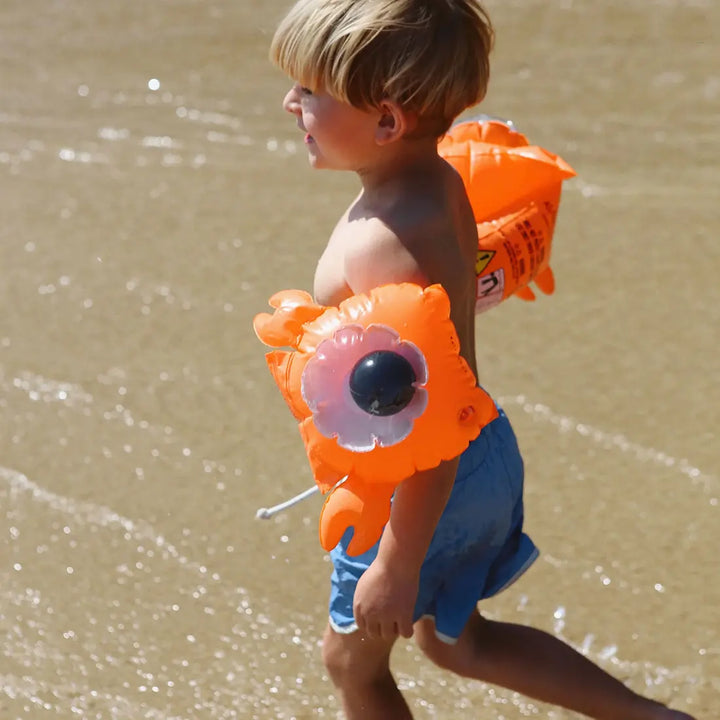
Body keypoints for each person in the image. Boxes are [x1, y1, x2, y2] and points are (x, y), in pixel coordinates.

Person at [268, 1, 696, 718]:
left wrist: (397, 565)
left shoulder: (382, 245)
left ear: (386, 121)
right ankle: (653, 718)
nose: (291, 104)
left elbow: (426, 425)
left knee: (351, 664)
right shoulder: (435, 185)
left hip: (425, 482)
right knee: (458, 642)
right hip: (484, 453)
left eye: (311, 92)